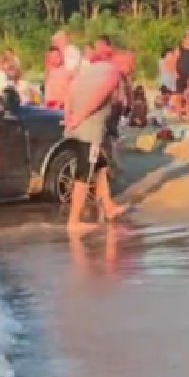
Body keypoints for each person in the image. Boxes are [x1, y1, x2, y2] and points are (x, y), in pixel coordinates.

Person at [62, 36, 130, 231]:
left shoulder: (89, 70)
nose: (131, 68)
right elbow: (99, 96)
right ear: (119, 60)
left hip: (76, 127)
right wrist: (79, 117)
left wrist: (69, 115)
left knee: (100, 166)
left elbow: (71, 88)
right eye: (129, 63)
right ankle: (73, 221)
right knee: (85, 172)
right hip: (88, 129)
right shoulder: (113, 74)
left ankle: (108, 206)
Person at [173, 32, 189, 119]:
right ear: (183, 39)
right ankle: (178, 114)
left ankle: (188, 114)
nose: (188, 40)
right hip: (180, 74)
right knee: (179, 96)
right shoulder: (179, 49)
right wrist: (175, 72)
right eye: (187, 38)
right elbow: (174, 61)